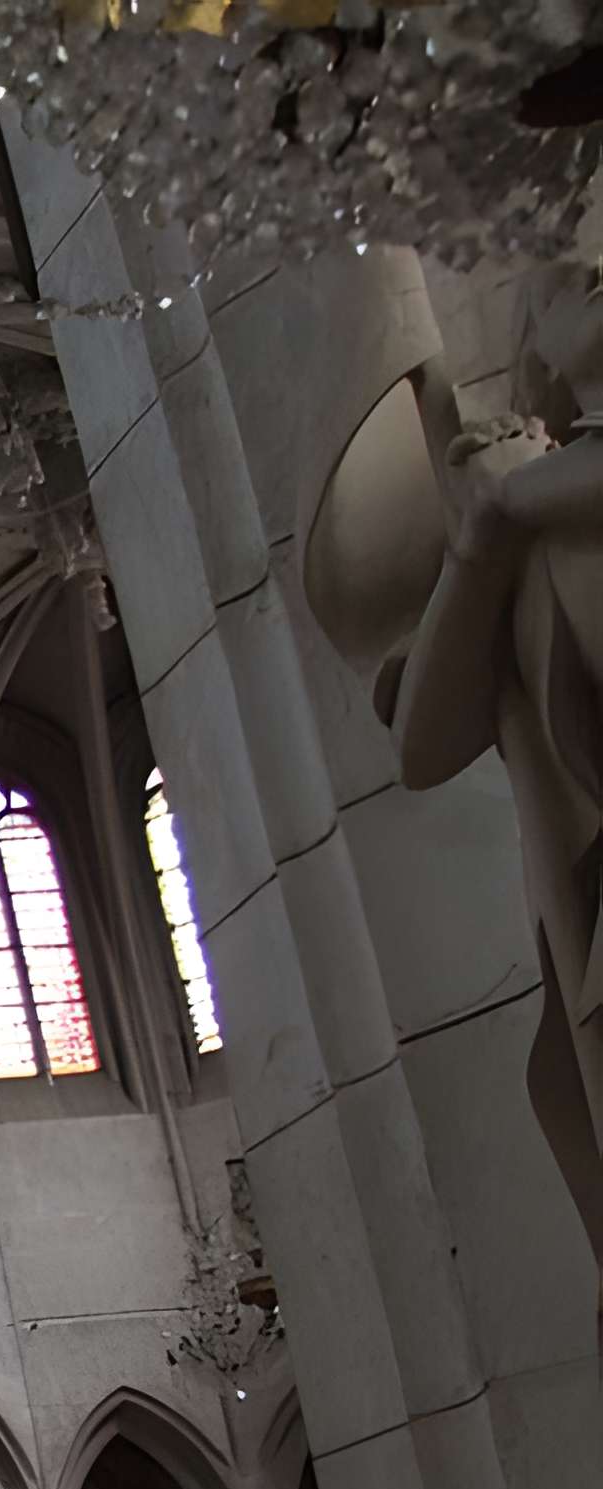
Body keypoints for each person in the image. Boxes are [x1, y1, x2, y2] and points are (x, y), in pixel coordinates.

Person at [388, 262, 603, 1309]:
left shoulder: (546, 495)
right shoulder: (521, 537)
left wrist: (513, 494)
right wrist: (474, 549)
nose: (593, 277)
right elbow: (420, 747)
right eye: (568, 280)